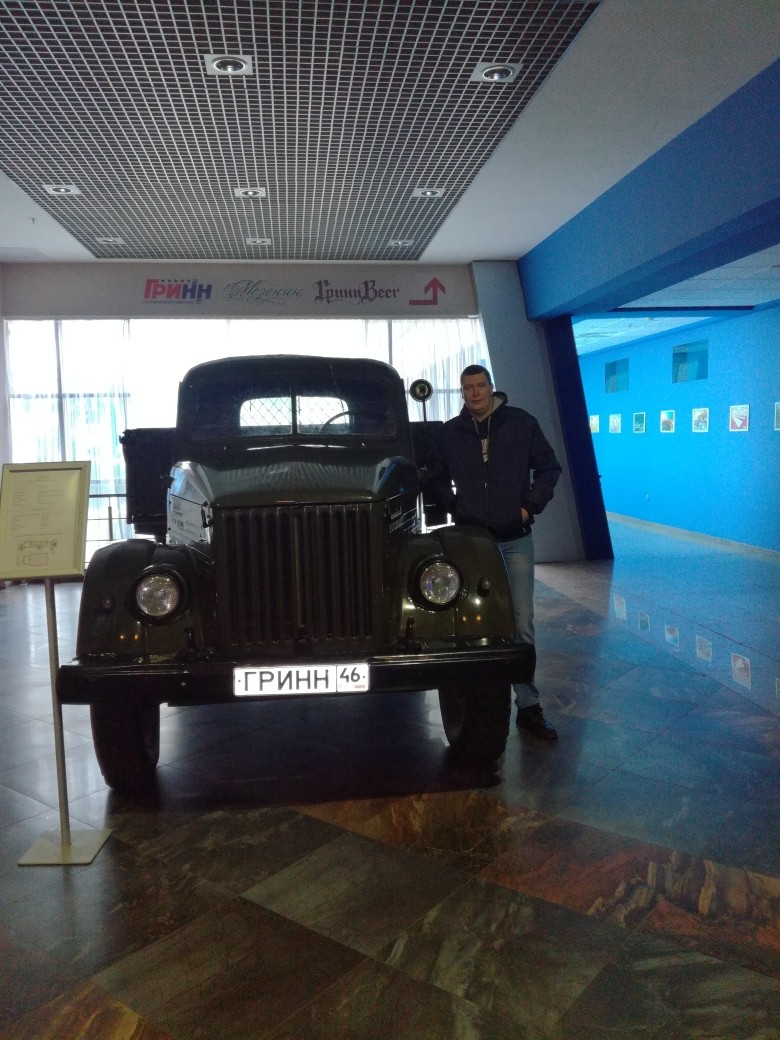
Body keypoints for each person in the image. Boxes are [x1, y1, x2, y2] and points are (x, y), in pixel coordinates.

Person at [428, 364, 562, 740]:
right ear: (462, 392)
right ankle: (477, 705)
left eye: (480, 386)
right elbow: (435, 477)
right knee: (471, 623)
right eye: (467, 387)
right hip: (471, 542)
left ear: (491, 388)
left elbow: (549, 468)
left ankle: (529, 705)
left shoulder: (520, 423)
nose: (474, 393)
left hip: (515, 539)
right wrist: (456, 507)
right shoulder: (449, 434)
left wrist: (529, 507)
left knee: (521, 622)